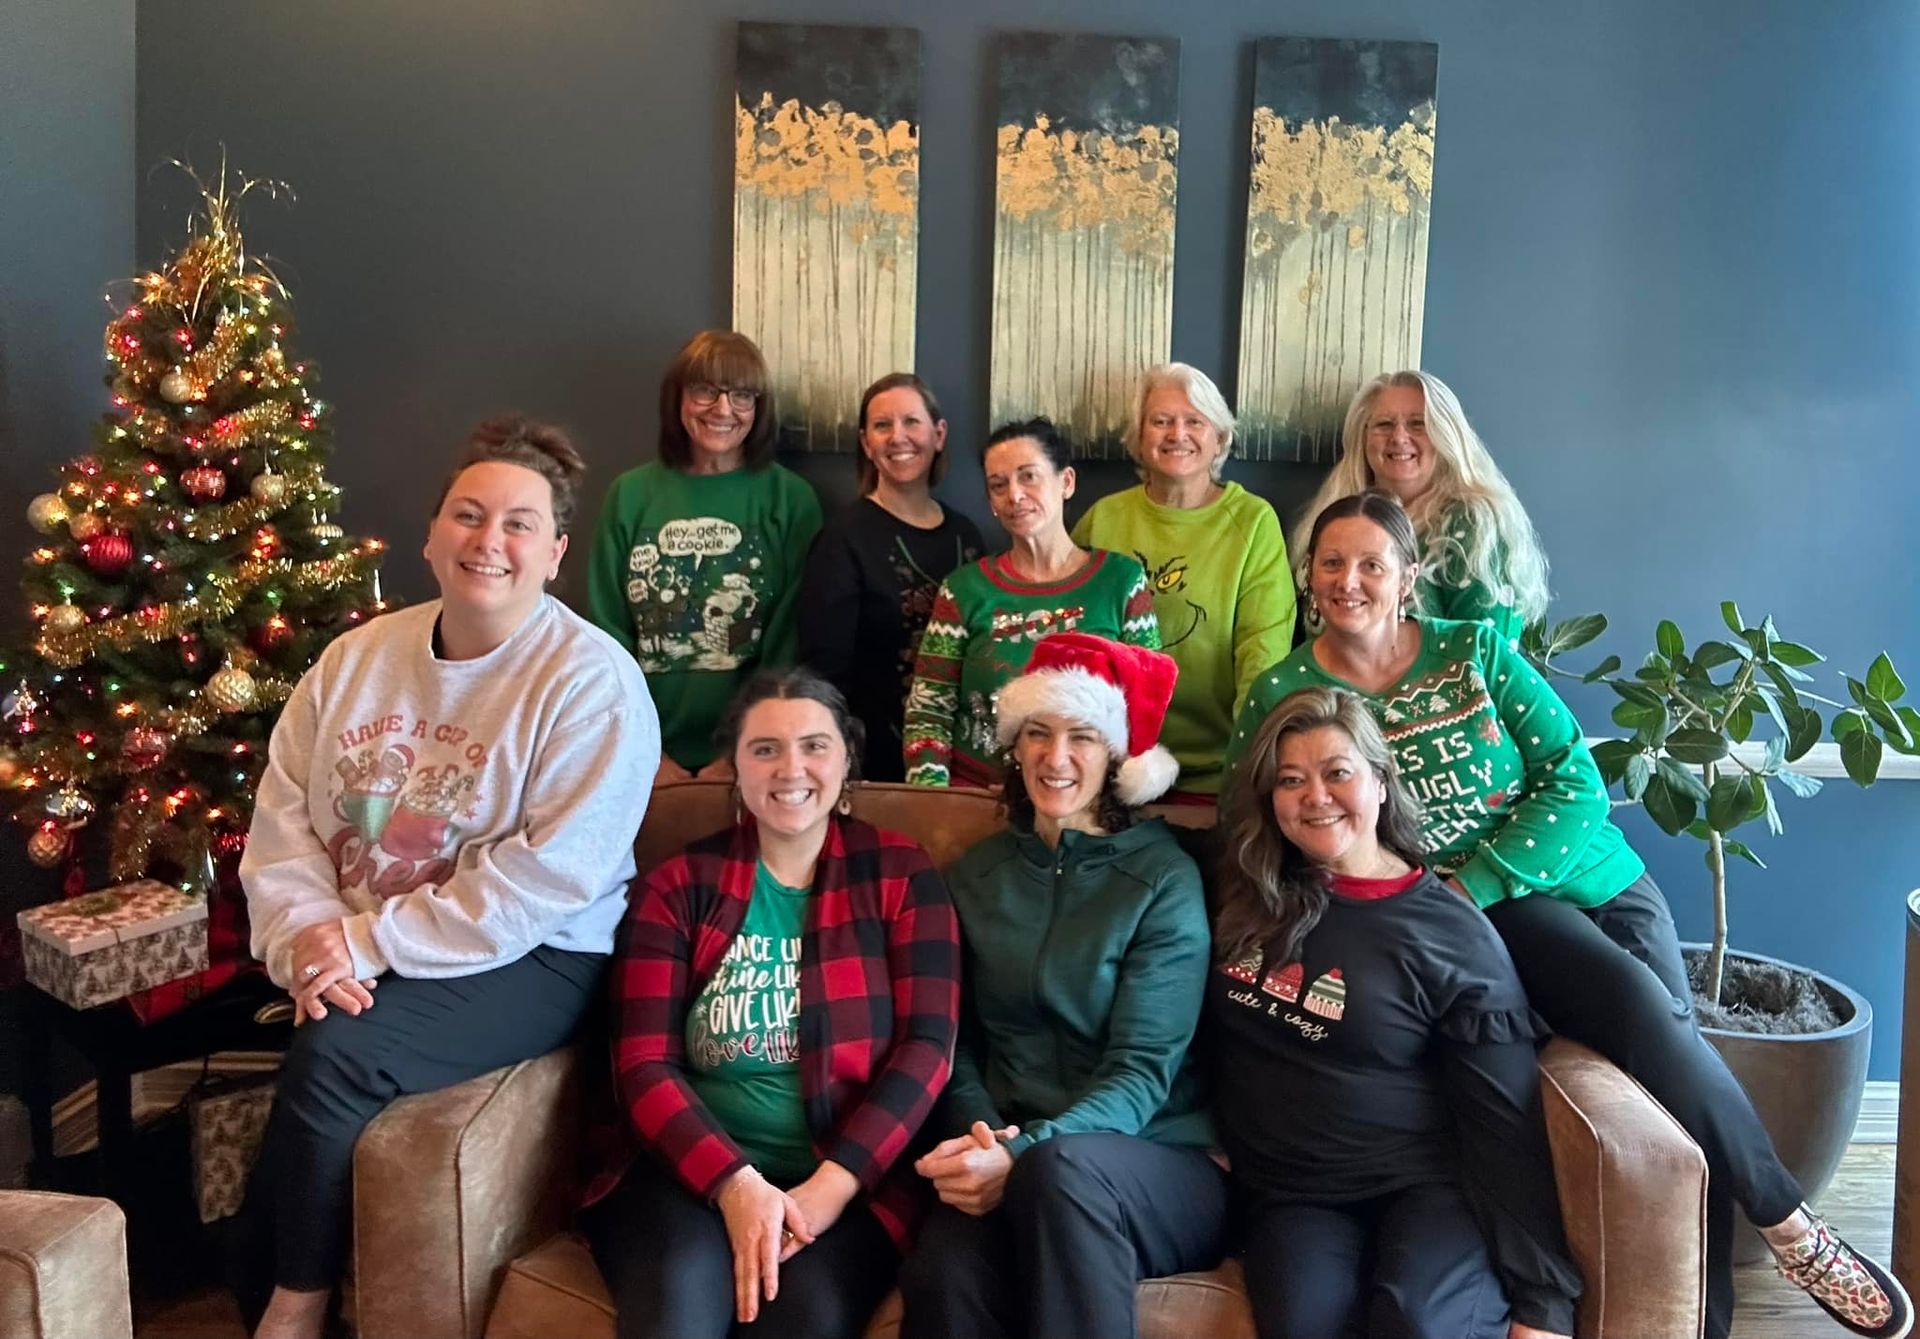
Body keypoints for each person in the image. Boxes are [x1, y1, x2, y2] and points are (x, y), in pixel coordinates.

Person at [1227, 490, 1912, 1339]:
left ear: (1409, 577)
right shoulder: (1286, 689)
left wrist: (1478, 876)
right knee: (1635, 1021)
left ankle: (1789, 1228)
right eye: (1332, 562)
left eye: (1372, 562)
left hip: (1578, 881)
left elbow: (1574, 776)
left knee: (1661, 1046)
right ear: (1308, 577)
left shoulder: (1475, 650)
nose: (1350, 579)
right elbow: (1252, 807)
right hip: (1477, 915)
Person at [238, 417, 660, 1339]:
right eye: (469, 515)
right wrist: (308, 943)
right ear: (432, 534)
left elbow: (548, 878)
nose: (489, 541)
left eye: (519, 524)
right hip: (354, 939)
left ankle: (295, 1308)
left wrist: (363, 940)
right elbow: (282, 826)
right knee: (327, 1024)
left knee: (337, 1053)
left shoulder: (594, 681)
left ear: (554, 551)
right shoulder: (353, 661)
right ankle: (270, 1281)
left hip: (537, 954)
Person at [587, 667, 961, 1339]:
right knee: (675, 1309)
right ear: (735, 763)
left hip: (844, 1182)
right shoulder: (678, 884)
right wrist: (734, 1184)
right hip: (687, 1175)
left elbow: (928, 1049)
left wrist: (827, 1189)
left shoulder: (902, 874)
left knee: (804, 1319)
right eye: (765, 748)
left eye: (815, 745)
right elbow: (642, 1064)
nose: (792, 767)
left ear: (848, 760)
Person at [1213, 685, 1580, 1339]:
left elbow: (1504, 1124)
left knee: (1414, 1318)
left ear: (1381, 783)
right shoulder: (1244, 890)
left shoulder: (1450, 933)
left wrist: (1543, 1303)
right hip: (1294, 1195)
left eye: (1338, 773)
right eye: (1291, 779)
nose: (1315, 796)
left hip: (1424, 1186)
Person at [898, 632, 1224, 1339]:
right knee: (944, 1274)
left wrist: (1019, 1155)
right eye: (1037, 732)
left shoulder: (1163, 880)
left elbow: (1141, 1074)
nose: (1056, 756)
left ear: (1114, 757)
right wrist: (983, 1139)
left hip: (1161, 1158)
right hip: (1010, 1140)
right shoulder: (975, 876)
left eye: (1082, 735)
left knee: (1059, 1175)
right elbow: (953, 1043)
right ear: (1013, 745)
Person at [589, 329, 823, 785]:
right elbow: (604, 634)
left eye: (741, 395)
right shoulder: (630, 495)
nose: (722, 409)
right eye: (705, 391)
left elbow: (789, 640)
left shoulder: (790, 500)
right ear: (677, 398)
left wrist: (744, 751)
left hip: (758, 757)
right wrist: (645, 753)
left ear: (759, 408)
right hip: (638, 752)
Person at [1072, 362, 1295, 798]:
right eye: (1161, 421)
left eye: (1195, 421)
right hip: (1113, 767)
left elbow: (1262, 653)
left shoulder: (1252, 521)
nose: (1178, 434)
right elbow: (1074, 639)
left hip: (1221, 768)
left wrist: (1246, 762)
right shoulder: (1104, 518)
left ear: (1220, 440)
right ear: (1138, 438)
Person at [903, 418, 1159, 788]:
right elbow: (929, 709)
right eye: (998, 485)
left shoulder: (1122, 582)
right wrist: (935, 799)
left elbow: (1146, 708)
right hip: (979, 798)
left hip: (1084, 801)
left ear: (1065, 482)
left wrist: (1111, 801)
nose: (1015, 495)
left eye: (1028, 476)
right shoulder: (963, 590)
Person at [800, 373, 985, 782]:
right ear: (867, 444)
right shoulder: (842, 539)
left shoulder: (967, 536)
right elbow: (824, 672)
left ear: (938, 434)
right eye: (882, 426)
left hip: (966, 761)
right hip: (877, 765)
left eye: (911, 422)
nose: (898, 437)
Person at [1293, 370, 1549, 641]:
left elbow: (1486, 657)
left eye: (1418, 424)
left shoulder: (1475, 525)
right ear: (1363, 435)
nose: (1399, 437)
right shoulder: (1336, 515)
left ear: (1446, 435)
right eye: (1384, 424)